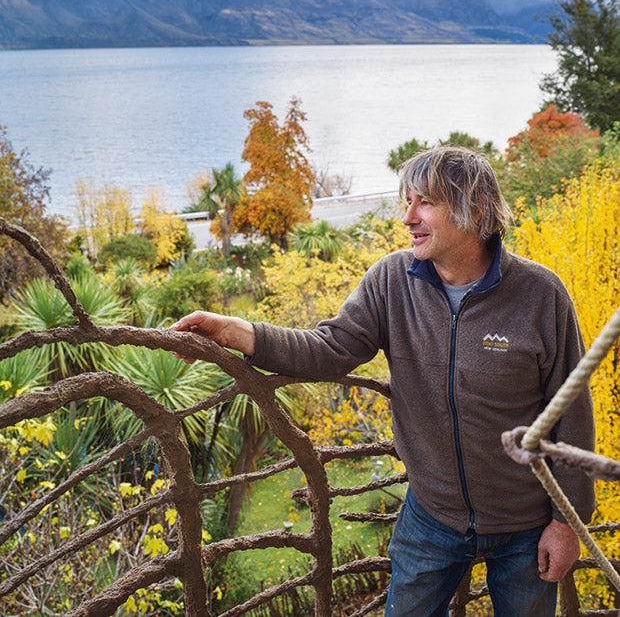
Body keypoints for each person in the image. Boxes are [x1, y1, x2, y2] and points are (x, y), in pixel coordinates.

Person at [172, 146, 595, 616]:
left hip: (527, 524)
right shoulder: (392, 280)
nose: (408, 217)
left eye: (425, 202)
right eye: (407, 201)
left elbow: (572, 415)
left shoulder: (540, 295)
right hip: (431, 516)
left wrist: (567, 522)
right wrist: (236, 331)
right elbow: (330, 348)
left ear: (475, 208)